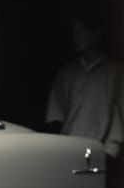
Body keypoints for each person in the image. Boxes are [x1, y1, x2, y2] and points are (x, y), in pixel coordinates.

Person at [46, 16, 123, 159]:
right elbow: (56, 116)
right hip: (69, 150)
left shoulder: (115, 72)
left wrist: (111, 149)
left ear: (96, 34)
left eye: (80, 33)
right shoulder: (67, 72)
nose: (76, 38)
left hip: (102, 152)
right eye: (74, 33)